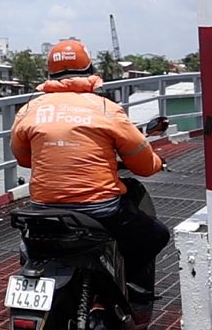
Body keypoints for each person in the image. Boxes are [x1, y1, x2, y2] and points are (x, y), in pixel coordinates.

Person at [10, 38, 170, 321]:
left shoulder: (29, 109)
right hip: (99, 209)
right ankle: (132, 296)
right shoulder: (107, 109)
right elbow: (144, 165)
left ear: (49, 73)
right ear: (89, 70)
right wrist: (158, 162)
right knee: (156, 235)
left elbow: (25, 159)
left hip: (42, 209)